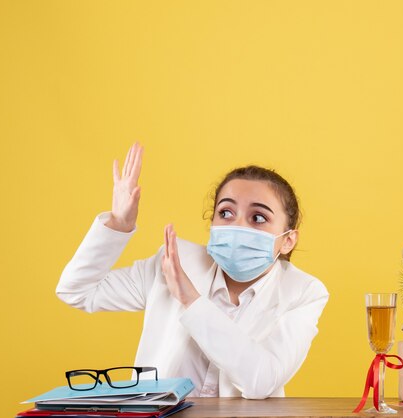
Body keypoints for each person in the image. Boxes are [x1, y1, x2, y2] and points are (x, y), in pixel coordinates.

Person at [56, 143, 329, 399]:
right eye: (226, 213)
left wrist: (191, 299)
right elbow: (77, 291)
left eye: (258, 218)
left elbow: (261, 382)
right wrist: (118, 224)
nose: (238, 227)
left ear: (288, 239)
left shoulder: (304, 292)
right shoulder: (175, 262)